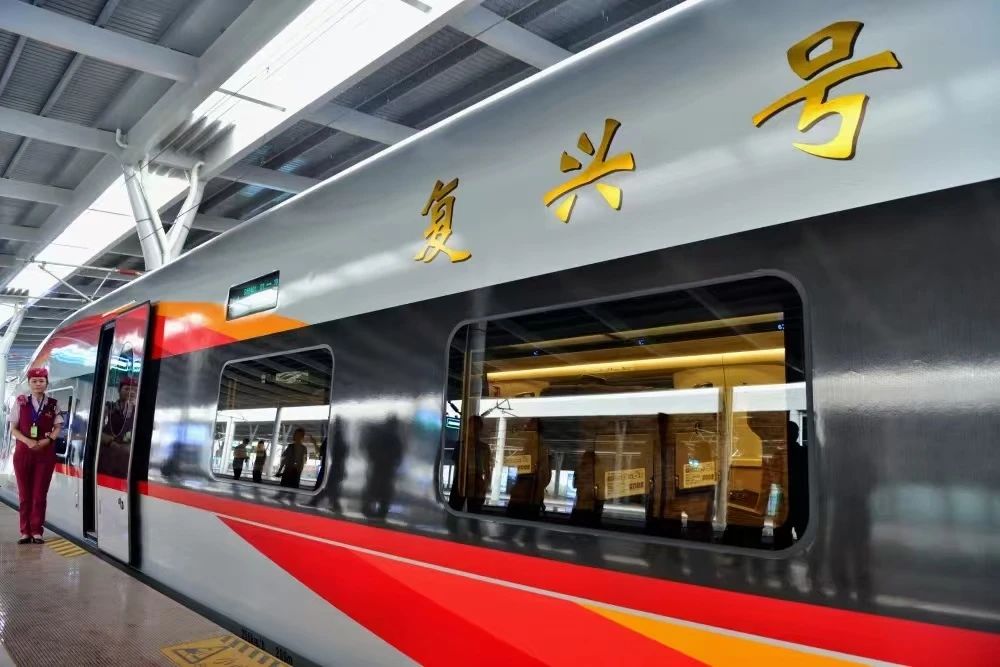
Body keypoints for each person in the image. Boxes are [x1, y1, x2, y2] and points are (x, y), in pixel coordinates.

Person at [8, 367, 63, 544]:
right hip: (23, 453)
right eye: (34, 381)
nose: (38, 384)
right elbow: (13, 429)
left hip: (45, 454)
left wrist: (49, 440)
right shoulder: (21, 402)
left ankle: (37, 531)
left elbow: (58, 427)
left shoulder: (53, 404)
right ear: (29, 383)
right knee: (24, 495)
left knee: (39, 494)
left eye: (41, 381)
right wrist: (27, 441)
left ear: (47, 383)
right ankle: (25, 531)